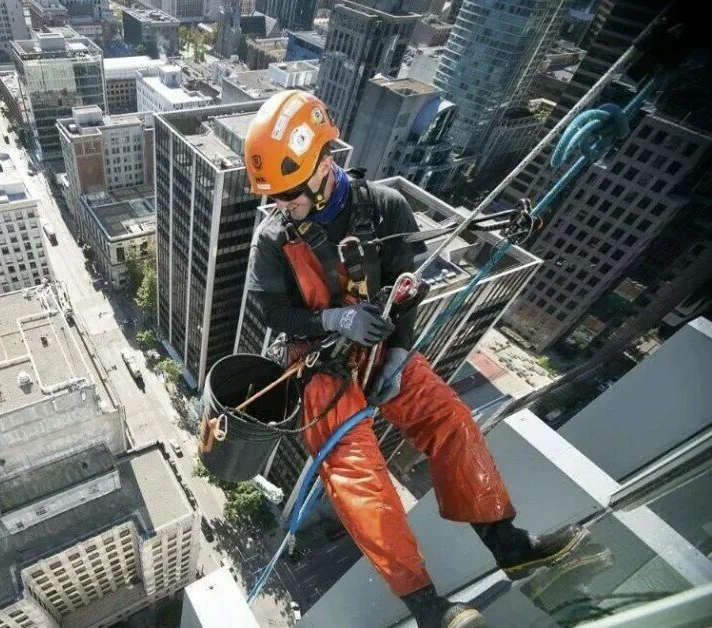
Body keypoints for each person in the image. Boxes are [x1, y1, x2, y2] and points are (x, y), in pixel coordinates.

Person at [243, 90, 587, 628]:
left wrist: (398, 357)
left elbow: (408, 290)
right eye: (277, 197)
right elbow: (272, 310)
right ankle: (430, 609)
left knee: (449, 419)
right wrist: (332, 321)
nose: (281, 205)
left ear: (324, 164)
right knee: (357, 474)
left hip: (382, 346)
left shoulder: (384, 207)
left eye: (289, 193)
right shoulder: (274, 238)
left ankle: (508, 542)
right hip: (319, 362)